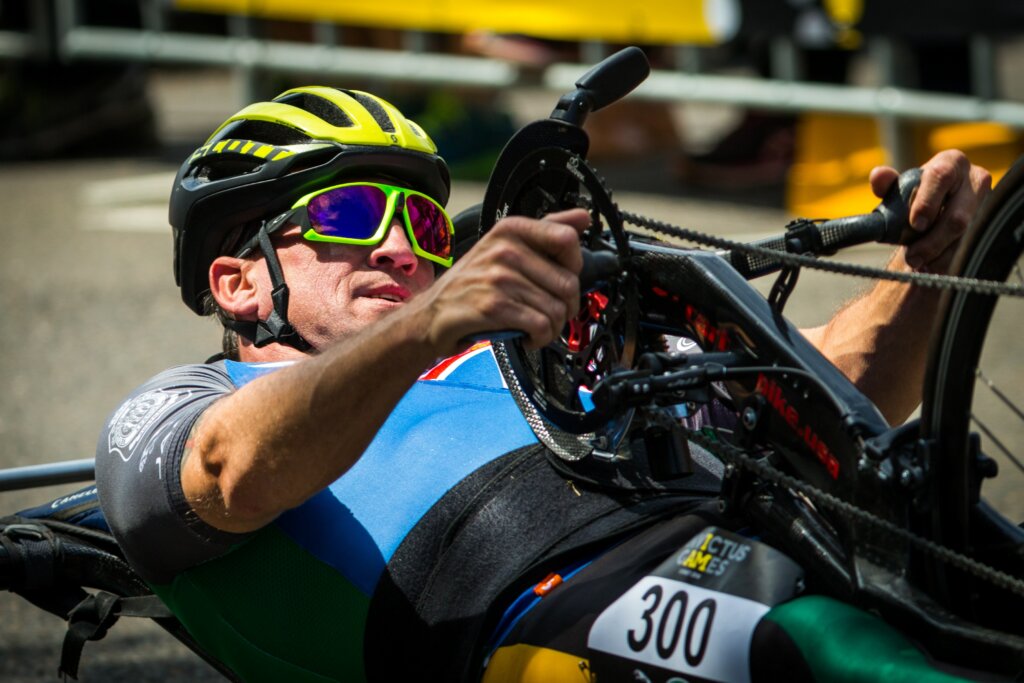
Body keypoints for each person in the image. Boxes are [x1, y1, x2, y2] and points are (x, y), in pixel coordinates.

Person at [95, 85, 991, 682]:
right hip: (557, 612)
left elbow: (825, 391)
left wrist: (930, 265)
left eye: (420, 219)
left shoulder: (522, 349)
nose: (402, 246)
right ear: (238, 280)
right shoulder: (183, 404)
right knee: (824, 651)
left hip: (769, 535)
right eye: (348, 214)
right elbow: (225, 472)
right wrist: (425, 323)